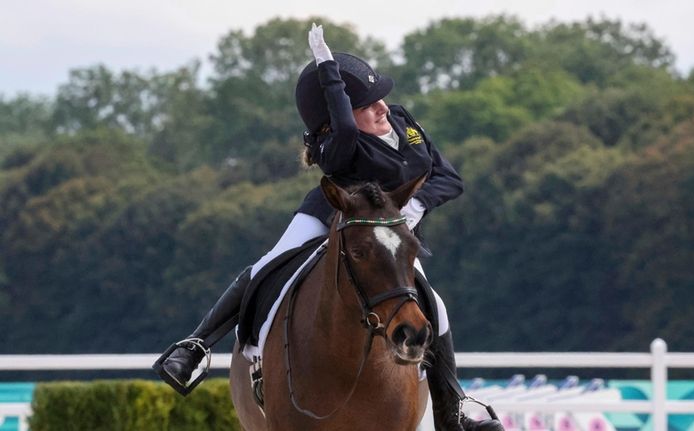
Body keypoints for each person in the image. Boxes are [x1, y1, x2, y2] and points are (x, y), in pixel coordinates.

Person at [154, 23, 503, 431]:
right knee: (267, 266)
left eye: (380, 99)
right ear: (338, 118)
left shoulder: (401, 122)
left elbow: (449, 177)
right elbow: (346, 127)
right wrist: (328, 71)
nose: (383, 108)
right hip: (331, 212)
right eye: (369, 104)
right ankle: (194, 347)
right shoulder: (339, 145)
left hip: (389, 227)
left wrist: (419, 203)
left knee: (435, 305)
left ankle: (452, 411)